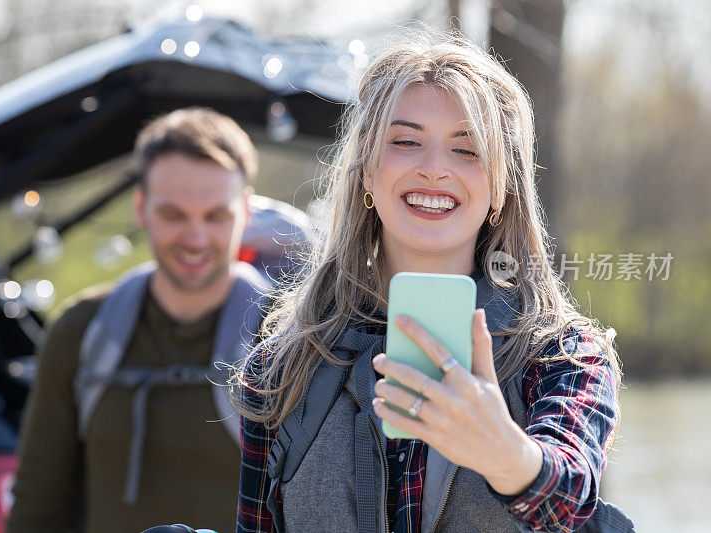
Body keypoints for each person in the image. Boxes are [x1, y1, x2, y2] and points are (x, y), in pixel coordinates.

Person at [234, 32, 632, 533]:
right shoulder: (279, 369)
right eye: (405, 142)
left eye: (467, 150)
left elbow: (568, 501)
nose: (433, 170)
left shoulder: (564, 356)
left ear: (500, 188)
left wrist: (508, 457)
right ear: (365, 173)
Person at [7, 107, 271, 533]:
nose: (196, 238)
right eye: (174, 214)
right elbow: (38, 501)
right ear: (141, 207)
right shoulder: (82, 330)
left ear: (246, 211)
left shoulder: (287, 337)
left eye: (216, 215)